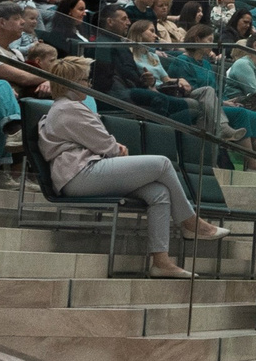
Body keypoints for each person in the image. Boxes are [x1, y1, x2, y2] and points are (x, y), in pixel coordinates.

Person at [42, 57, 222, 277]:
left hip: (85, 171)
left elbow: (101, 143)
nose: (89, 84)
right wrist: (114, 147)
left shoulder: (68, 108)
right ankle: (190, 221)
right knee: (162, 163)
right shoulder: (69, 108)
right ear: (70, 83)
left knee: (159, 192)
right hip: (79, 174)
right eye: (84, 79)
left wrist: (112, 146)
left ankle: (161, 262)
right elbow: (108, 147)